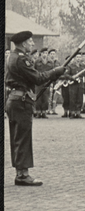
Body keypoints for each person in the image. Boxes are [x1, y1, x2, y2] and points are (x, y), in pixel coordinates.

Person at [5, 31, 67, 185]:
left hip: (15, 99)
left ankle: (20, 172)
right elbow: (37, 78)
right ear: (24, 43)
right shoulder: (21, 59)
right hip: (21, 101)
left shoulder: (12, 57)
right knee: (23, 138)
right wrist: (55, 72)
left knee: (17, 137)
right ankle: (22, 175)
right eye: (30, 41)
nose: (32, 44)